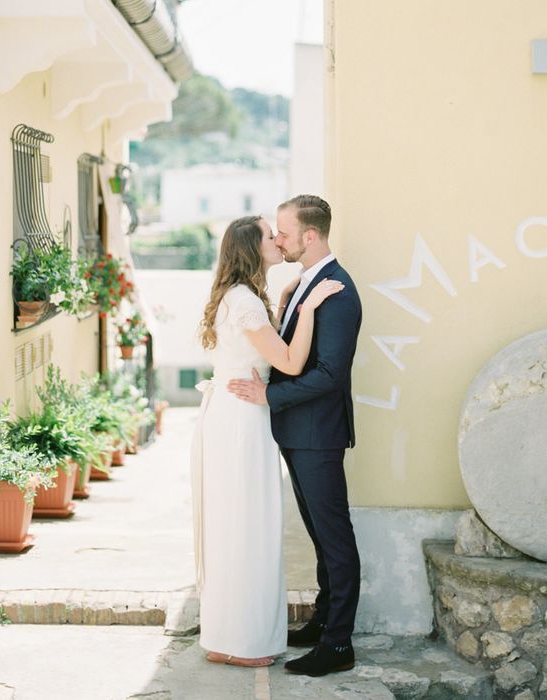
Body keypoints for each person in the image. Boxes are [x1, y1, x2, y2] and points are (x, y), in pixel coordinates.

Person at [191, 214, 344, 668]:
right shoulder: (246, 302)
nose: (278, 239)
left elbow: (255, 348)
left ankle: (225, 637)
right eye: (268, 234)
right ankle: (247, 642)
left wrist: (280, 304)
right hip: (244, 418)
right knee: (249, 527)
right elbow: (292, 363)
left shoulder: (240, 297)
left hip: (230, 412)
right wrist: (309, 308)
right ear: (252, 248)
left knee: (231, 525)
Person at [227, 195, 362, 677]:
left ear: (310, 236)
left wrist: (270, 397)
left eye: (284, 232)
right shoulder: (305, 284)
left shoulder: (339, 291)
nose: (278, 239)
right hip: (298, 433)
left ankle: (338, 645)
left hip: (317, 435)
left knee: (335, 539)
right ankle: (323, 623)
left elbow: (329, 374)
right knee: (321, 539)